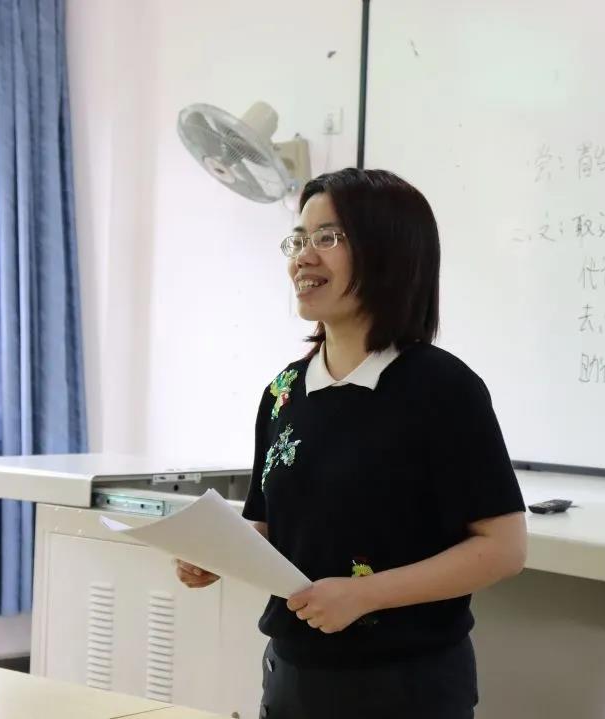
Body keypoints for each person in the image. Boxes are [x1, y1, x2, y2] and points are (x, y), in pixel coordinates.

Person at [176, 168, 527, 719]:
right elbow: (269, 526)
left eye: (328, 237)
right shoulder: (284, 392)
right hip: (292, 676)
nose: (303, 257)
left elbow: (504, 548)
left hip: (407, 686)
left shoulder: (441, 388)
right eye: (299, 239)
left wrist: (366, 594)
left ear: (388, 252)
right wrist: (217, 554)